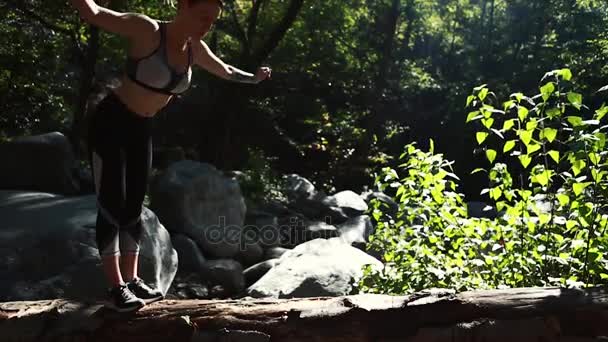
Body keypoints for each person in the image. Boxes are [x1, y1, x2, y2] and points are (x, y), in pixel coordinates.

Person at [70, 0, 272, 312]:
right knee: (112, 201)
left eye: (212, 21)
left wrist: (254, 78)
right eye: (202, 16)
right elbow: (94, 14)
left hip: (141, 127)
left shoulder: (196, 49)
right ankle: (116, 286)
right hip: (110, 122)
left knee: (135, 201)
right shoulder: (147, 31)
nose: (206, 25)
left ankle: (133, 279)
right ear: (183, 6)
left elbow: (227, 71)